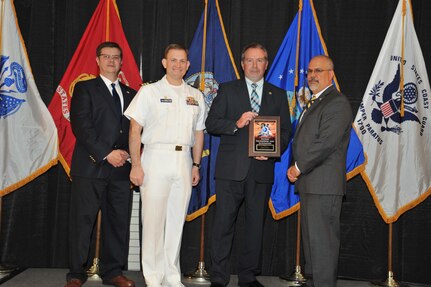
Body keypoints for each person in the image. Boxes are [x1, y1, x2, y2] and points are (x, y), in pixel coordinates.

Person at [206, 43, 292, 287]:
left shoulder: (278, 94)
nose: (255, 65)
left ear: (266, 64)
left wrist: (273, 152)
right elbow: (212, 123)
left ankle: (248, 276)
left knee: (255, 227)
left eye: (260, 60)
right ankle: (219, 277)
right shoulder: (227, 89)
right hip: (230, 171)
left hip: (261, 171)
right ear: (242, 63)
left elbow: (285, 132)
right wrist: (236, 122)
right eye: (250, 61)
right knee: (223, 225)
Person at [124, 43, 206, 287]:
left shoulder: (196, 95)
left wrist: (196, 165)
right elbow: (134, 129)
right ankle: (152, 276)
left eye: (182, 61)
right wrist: (136, 165)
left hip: (183, 161)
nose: (178, 65)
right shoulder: (148, 92)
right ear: (164, 62)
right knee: (152, 221)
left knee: (176, 221)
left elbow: (199, 133)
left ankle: (171, 275)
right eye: (173, 60)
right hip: (155, 158)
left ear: (188, 65)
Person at [65, 42, 137, 287]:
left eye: (116, 57)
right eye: (106, 56)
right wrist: (107, 153)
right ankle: (76, 274)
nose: (111, 61)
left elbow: (136, 131)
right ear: (97, 60)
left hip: (121, 170)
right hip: (90, 167)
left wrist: (127, 154)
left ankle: (113, 272)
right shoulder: (84, 89)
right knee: (82, 223)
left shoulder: (131, 94)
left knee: (117, 223)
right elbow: (81, 127)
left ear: (121, 62)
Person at [287, 55, 352, 287]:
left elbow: (325, 143)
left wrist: (297, 167)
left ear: (331, 74)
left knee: (322, 245)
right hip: (312, 185)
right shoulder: (315, 100)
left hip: (323, 185)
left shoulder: (336, 102)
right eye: (310, 71)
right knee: (313, 245)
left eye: (319, 71)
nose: (313, 75)